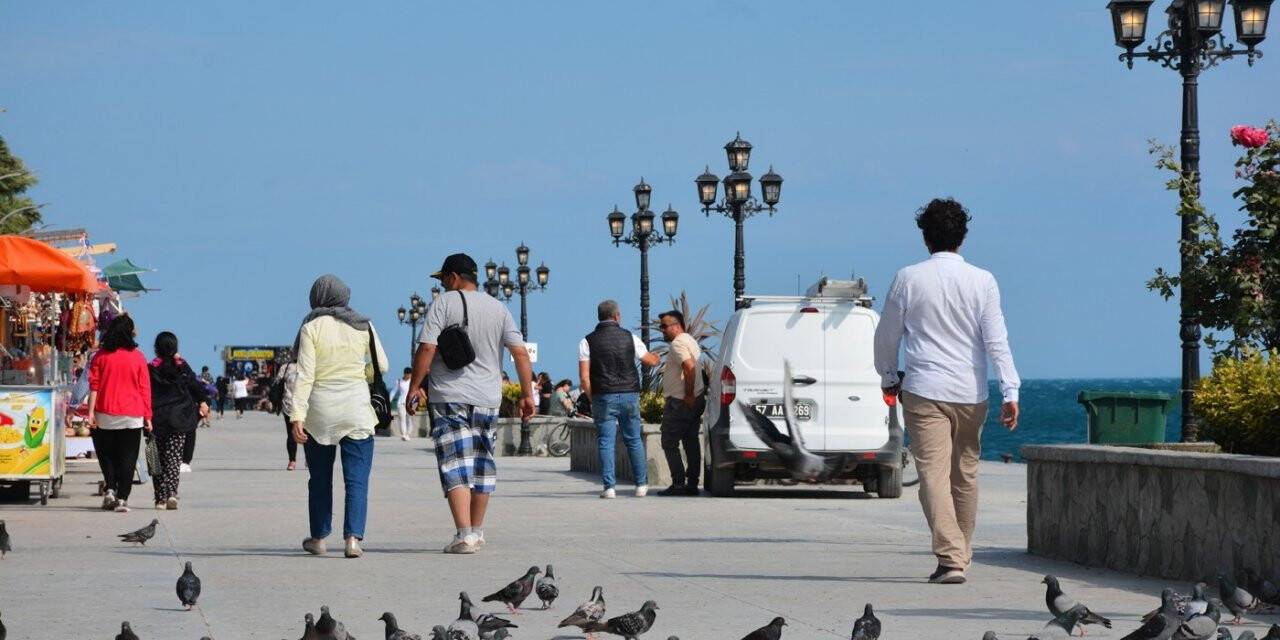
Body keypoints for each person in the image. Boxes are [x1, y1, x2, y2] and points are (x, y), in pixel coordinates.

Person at [872, 197, 1021, 585]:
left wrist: (888, 376)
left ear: (926, 237)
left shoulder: (908, 278)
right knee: (965, 476)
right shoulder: (983, 280)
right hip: (972, 393)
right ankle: (959, 555)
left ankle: (952, 557)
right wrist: (1010, 390)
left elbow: (886, 336)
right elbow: (997, 341)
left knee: (933, 477)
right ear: (963, 237)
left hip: (924, 388)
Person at [407, 253, 534, 554]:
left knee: (454, 463)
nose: (443, 285)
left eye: (443, 280)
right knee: (481, 463)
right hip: (488, 398)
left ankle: (463, 533)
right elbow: (520, 353)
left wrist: (414, 386)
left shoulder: (443, 303)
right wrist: (528, 394)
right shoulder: (499, 308)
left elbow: (427, 347)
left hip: (450, 395)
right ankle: (476, 531)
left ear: (453, 277)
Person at [288, 274, 386, 559]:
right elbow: (383, 364)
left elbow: (304, 375)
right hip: (357, 410)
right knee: (357, 480)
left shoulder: (311, 327)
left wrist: (297, 416)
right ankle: (353, 539)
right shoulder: (363, 325)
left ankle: (319, 538)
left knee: (319, 478)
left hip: (320, 412)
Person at [578, 299, 660, 499]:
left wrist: (592, 397)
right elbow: (650, 361)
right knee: (633, 440)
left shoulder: (586, 341)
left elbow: (584, 378)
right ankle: (641, 485)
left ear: (599, 316)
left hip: (603, 395)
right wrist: (657, 356)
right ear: (617, 316)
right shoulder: (630, 337)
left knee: (606, 441)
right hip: (629, 394)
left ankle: (609, 488)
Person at [87, 315, 151, 513]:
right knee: (128, 458)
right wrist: (148, 416)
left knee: (106, 455)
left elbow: (94, 387)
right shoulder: (138, 357)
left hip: (105, 411)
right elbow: (144, 388)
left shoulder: (100, 356)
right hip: (132, 414)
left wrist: (90, 413)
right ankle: (122, 498)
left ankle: (111, 488)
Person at [148, 332, 210, 510]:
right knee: (173, 458)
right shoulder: (182, 366)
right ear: (175, 347)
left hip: (155, 417)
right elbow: (195, 385)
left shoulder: (151, 367)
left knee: (154, 457)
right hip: (179, 418)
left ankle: (159, 498)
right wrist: (203, 401)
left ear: (156, 348)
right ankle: (171, 494)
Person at [655, 310, 705, 497]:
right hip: (695, 399)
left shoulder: (677, 344)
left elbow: (690, 366)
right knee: (691, 441)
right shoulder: (690, 339)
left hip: (680, 402)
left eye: (664, 326)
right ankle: (692, 484)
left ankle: (678, 484)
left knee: (669, 442)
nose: (662, 330)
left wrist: (689, 394)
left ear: (677, 326)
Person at [278, 360, 299, 470]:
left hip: (307, 404)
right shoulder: (285, 367)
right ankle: (292, 460)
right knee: (292, 434)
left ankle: (306, 459)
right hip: (289, 404)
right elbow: (278, 383)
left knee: (307, 434)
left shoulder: (311, 363)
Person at [389, 367, 414, 441]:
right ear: (405, 374)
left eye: (410, 375)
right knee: (402, 419)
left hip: (410, 403)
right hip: (401, 403)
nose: (409, 376)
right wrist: (389, 400)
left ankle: (408, 434)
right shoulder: (399, 382)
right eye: (408, 374)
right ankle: (403, 434)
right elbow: (394, 391)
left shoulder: (412, 381)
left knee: (409, 419)